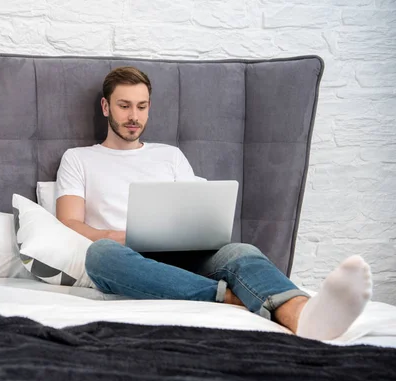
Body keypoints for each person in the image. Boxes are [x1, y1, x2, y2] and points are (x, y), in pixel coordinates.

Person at [55, 66, 373, 341]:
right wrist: (118, 236)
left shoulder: (169, 156)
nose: (134, 116)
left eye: (142, 106)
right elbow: (69, 224)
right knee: (100, 256)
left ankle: (304, 315)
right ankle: (228, 297)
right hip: (127, 259)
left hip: (186, 255)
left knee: (241, 251)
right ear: (105, 106)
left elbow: (195, 208)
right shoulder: (79, 159)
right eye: (124, 106)